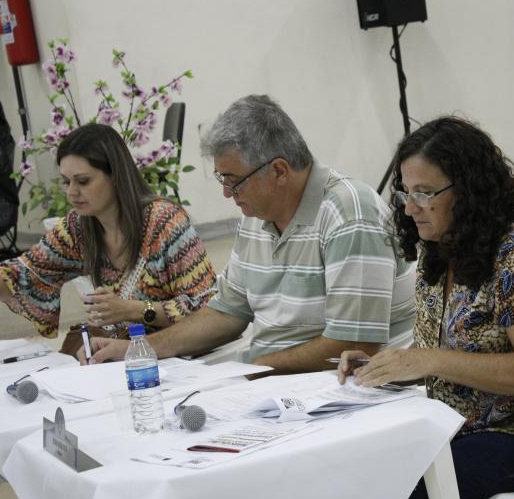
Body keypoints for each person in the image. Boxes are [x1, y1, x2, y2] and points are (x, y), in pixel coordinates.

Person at [337, 116, 514, 499]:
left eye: (424, 193)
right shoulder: (438, 254)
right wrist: (385, 366)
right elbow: (440, 352)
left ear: (469, 191)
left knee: (406, 494)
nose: (410, 207)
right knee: (358, 470)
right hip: (453, 425)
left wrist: (428, 360)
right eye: (406, 192)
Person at [82, 95, 415, 371]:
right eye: (222, 179)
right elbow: (227, 312)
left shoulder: (349, 213)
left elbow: (355, 344)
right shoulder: (256, 217)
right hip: (277, 380)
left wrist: (252, 372)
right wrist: (140, 349)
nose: (227, 193)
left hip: (343, 386)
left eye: (234, 181)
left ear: (279, 171)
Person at [0, 123, 217, 350]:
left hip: (177, 354)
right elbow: (29, 270)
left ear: (116, 176)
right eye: (66, 182)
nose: (72, 192)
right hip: (124, 352)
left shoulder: (165, 222)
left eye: (83, 181)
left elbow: (207, 308)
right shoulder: (79, 227)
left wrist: (131, 310)